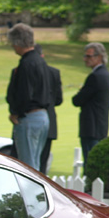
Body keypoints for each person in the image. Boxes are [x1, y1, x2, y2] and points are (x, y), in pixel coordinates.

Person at [5, 23, 50, 171]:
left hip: (29, 117)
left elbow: (24, 93)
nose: (13, 47)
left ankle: (32, 194)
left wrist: (15, 113)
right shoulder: (40, 60)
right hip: (43, 116)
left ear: (18, 42)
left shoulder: (26, 63)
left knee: (28, 168)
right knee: (35, 164)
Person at [72, 42, 109, 166]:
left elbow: (77, 100)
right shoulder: (106, 75)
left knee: (90, 164)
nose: (85, 59)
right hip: (100, 126)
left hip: (91, 127)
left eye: (89, 56)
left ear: (99, 57)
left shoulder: (95, 77)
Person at [37, 44, 62, 175]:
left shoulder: (23, 70)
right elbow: (59, 99)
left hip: (31, 120)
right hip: (49, 119)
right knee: (42, 161)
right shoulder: (54, 72)